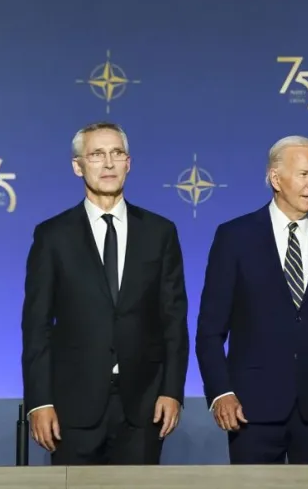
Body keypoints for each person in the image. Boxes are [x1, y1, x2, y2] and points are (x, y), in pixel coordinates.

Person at [22, 121, 188, 466]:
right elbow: (36, 324)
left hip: (143, 404)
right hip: (74, 405)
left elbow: (174, 319)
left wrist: (172, 391)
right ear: (77, 166)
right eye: (97, 155)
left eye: (117, 153)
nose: (108, 164)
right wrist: (40, 401)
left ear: (129, 162)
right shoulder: (52, 236)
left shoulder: (160, 233)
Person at [195, 135, 308, 464]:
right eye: (304, 174)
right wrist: (221, 392)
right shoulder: (235, 237)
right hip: (251, 411)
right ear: (276, 178)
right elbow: (210, 329)